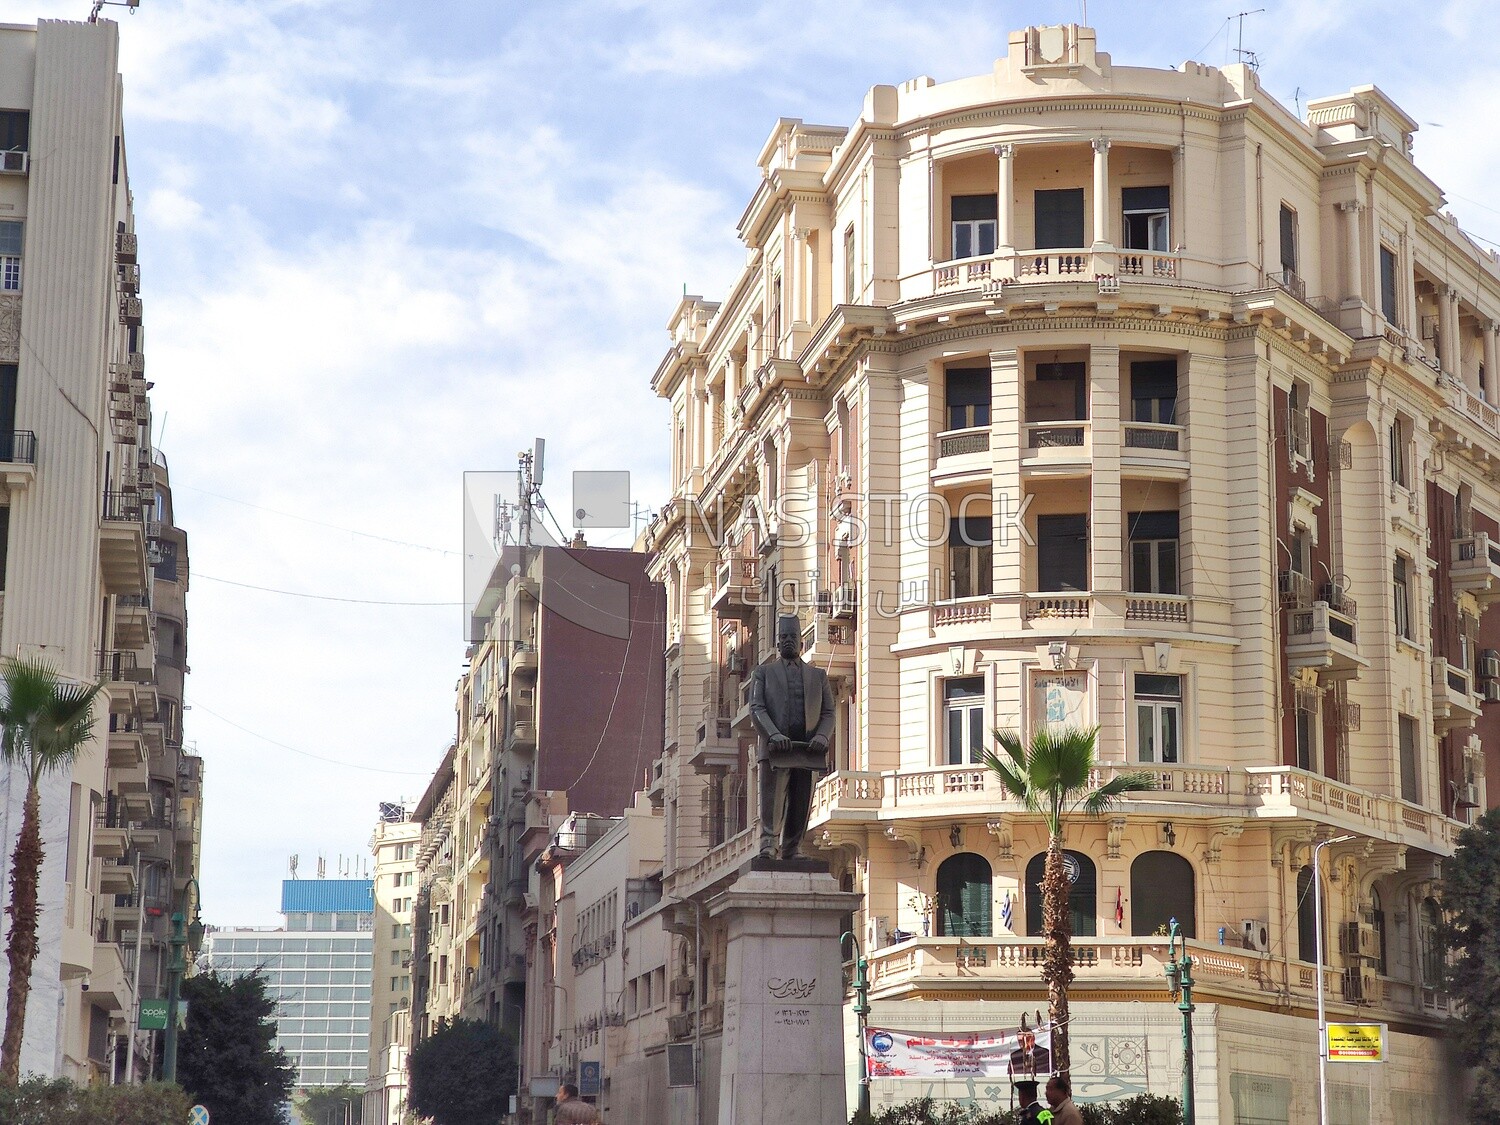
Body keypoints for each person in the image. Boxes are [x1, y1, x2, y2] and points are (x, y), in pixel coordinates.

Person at [749, 614, 836, 859]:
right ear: (778, 643)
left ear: (801, 642)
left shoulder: (818, 676)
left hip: (807, 751)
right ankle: (768, 844)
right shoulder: (763, 673)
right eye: (784, 637)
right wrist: (773, 734)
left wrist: (822, 736)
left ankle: (792, 846)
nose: (788, 641)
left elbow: (829, 712)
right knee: (773, 800)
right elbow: (756, 708)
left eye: (793, 637)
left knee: (801, 802)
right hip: (777, 749)